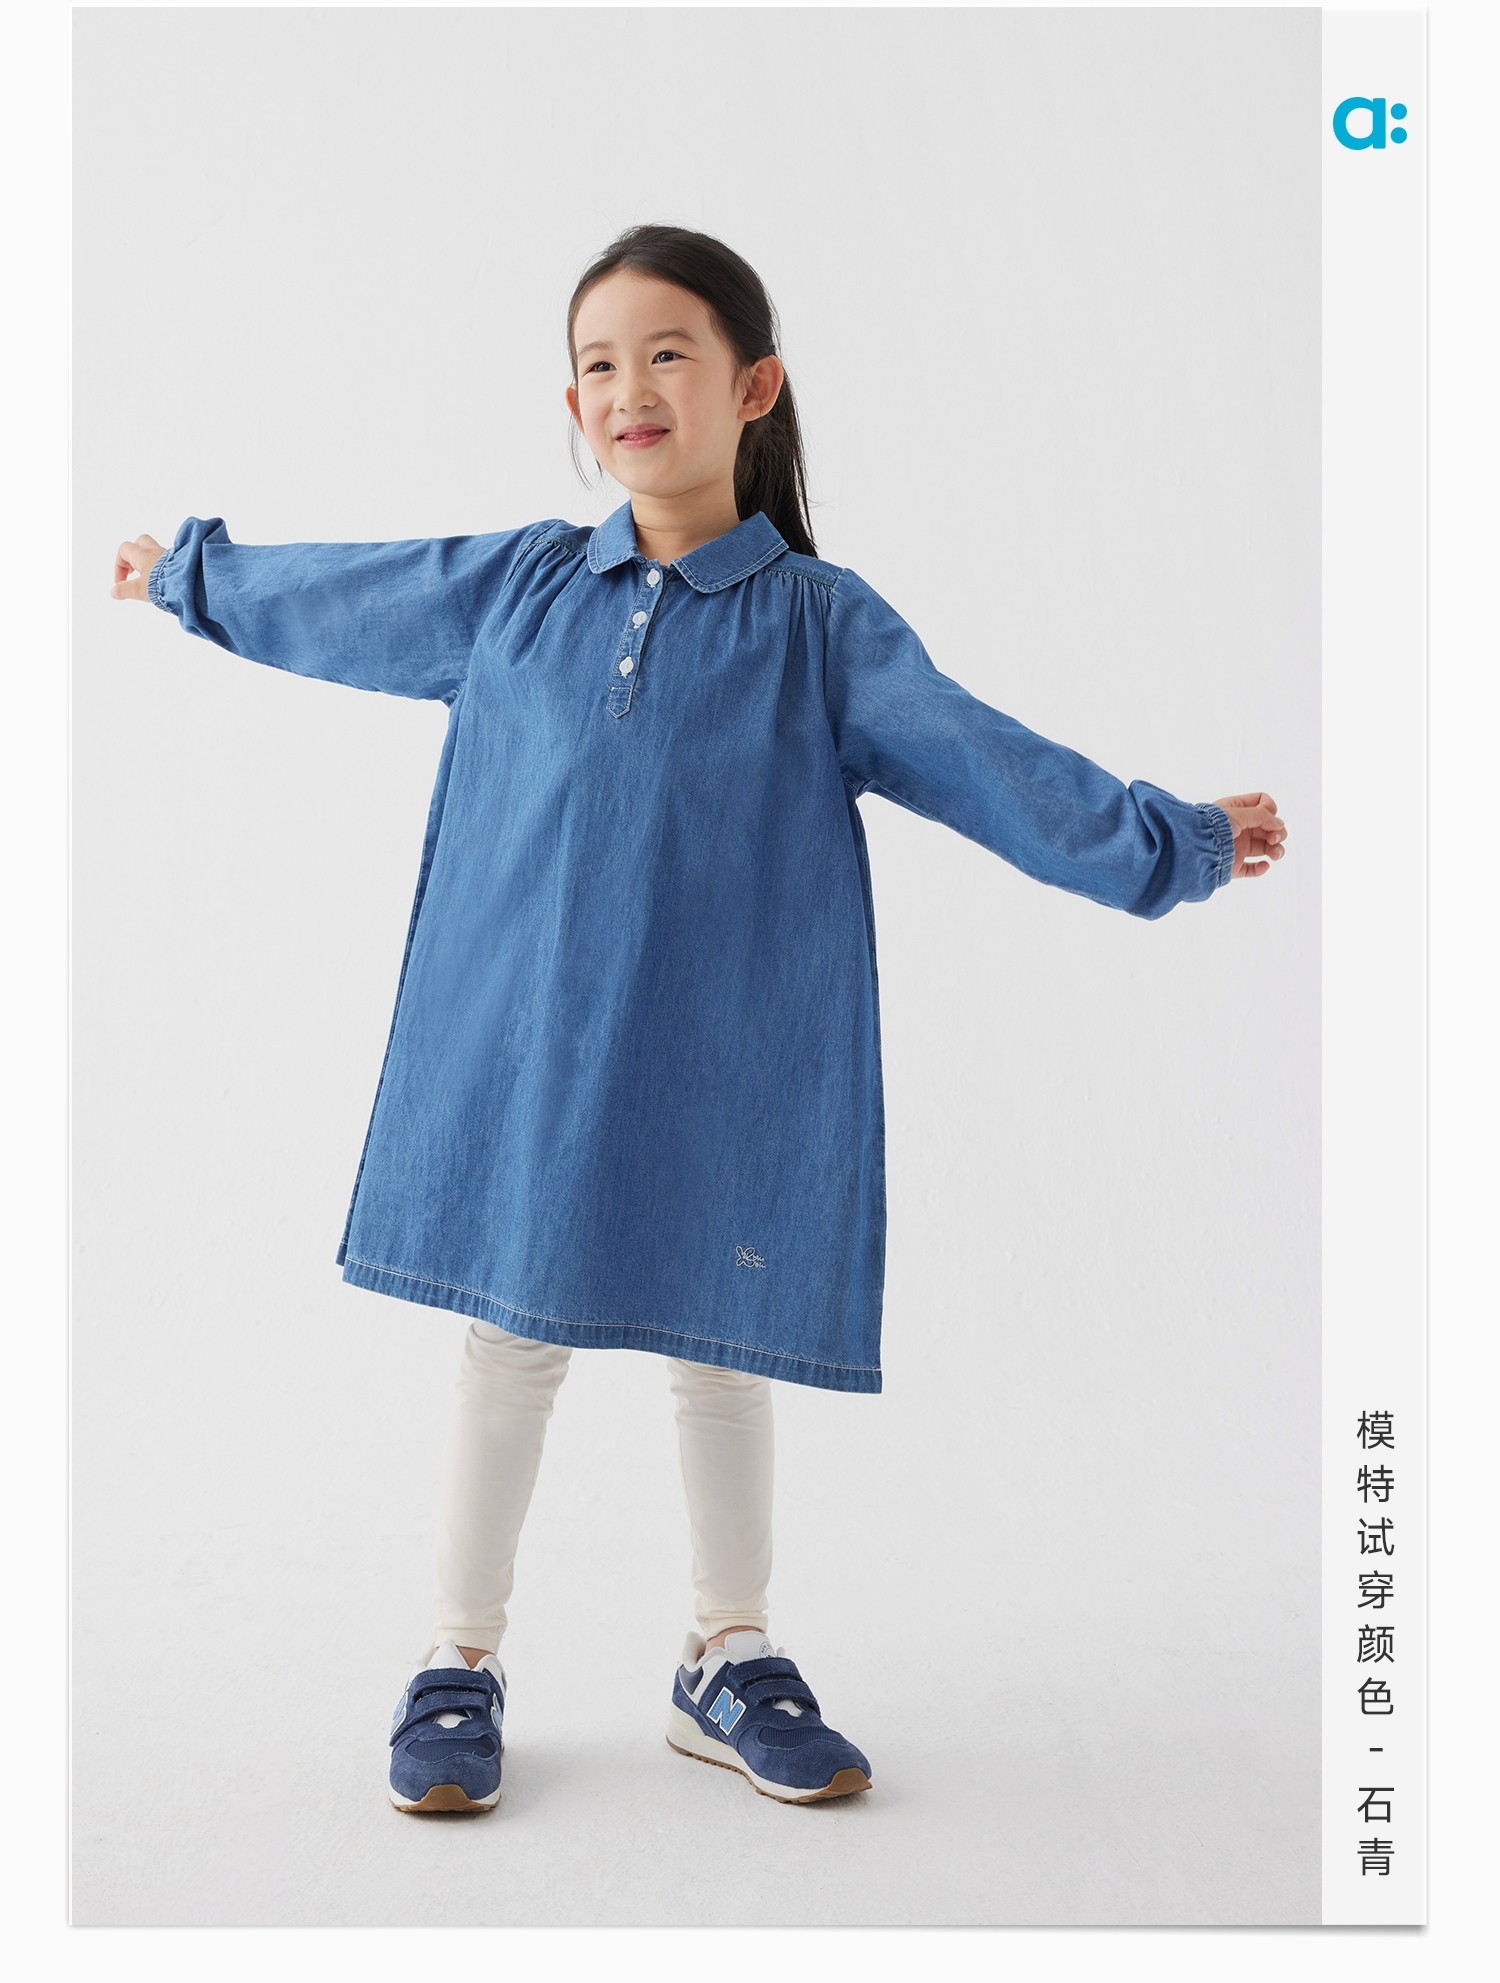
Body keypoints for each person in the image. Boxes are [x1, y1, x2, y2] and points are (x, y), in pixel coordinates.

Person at [113, 221, 1287, 1817]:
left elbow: (979, 759)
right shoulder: (519, 587)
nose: (630, 389)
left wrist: (1171, 840)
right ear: (573, 406)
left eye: (667, 353)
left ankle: (726, 1655)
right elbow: (349, 597)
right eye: (599, 365)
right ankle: (459, 1656)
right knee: (508, 1340)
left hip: (727, 1058)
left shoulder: (820, 625)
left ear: (754, 387)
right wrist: (191, 576)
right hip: (532, 1054)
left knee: (722, 1352)